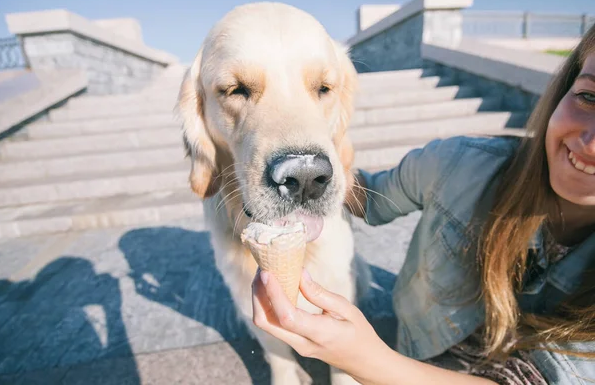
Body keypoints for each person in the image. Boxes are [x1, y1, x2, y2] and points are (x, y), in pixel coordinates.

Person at [250, 25, 595, 384]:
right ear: (563, 91)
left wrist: (366, 360)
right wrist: (316, 169)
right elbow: (372, 199)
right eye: (590, 97)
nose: (590, 143)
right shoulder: (454, 165)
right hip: (422, 348)